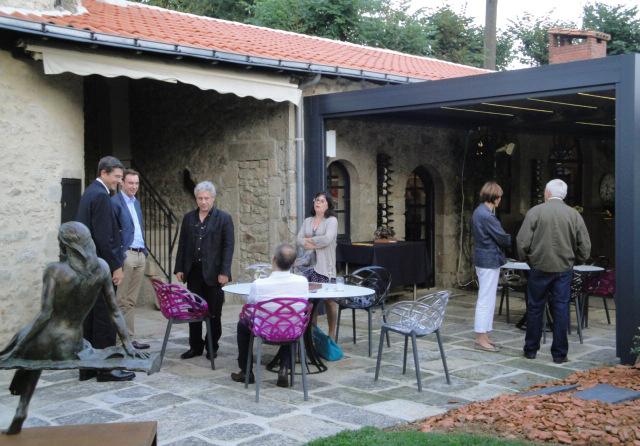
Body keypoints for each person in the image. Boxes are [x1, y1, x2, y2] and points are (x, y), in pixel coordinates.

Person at [0, 222, 149, 434]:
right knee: (29, 347)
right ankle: (21, 406)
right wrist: (127, 344)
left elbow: (44, 315)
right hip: (73, 344)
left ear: (66, 246)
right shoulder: (102, 268)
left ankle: (21, 409)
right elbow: (115, 311)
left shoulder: (54, 271)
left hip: (47, 340)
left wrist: (16, 348)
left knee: (29, 346)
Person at [517, 179, 591, 363]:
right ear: (563, 195)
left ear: (547, 193)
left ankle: (530, 350)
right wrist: (578, 259)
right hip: (564, 268)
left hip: (539, 267)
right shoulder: (574, 215)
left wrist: (527, 259)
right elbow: (585, 246)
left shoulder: (535, 212)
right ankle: (559, 354)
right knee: (561, 309)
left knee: (535, 308)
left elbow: (521, 241)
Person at [75, 156, 135, 382]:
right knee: (105, 316)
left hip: (88, 267)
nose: (119, 182)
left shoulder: (90, 192)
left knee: (91, 317)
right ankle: (106, 369)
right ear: (104, 173)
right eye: (117, 177)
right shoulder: (100, 195)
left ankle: (88, 367)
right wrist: (116, 266)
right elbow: (103, 237)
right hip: (101, 266)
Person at [231, 243, 309, 387]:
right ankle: (284, 368)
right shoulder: (303, 282)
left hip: (265, 330)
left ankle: (246, 371)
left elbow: (250, 304)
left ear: (273, 260)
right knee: (289, 321)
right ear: (293, 263)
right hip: (291, 330)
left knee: (243, 323)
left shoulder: (259, 284)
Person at [174, 181, 234, 361]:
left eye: (206, 198)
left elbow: (228, 247)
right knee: (194, 311)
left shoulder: (223, 218)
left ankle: (211, 346)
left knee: (214, 312)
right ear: (196, 199)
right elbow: (182, 244)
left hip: (215, 274)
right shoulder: (189, 218)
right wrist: (179, 268)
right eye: (200, 198)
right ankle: (195, 346)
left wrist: (225, 271)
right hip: (194, 272)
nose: (203, 202)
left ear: (213, 199)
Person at [112, 169, 149, 350]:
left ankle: (130, 339)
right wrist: (120, 256)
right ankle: (120, 342)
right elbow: (112, 232)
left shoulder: (136, 203)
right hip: (126, 255)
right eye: (130, 183)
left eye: (136, 183)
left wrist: (145, 252)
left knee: (131, 301)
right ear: (122, 183)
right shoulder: (115, 203)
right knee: (121, 301)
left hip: (140, 254)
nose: (134, 186)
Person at [471, 181, 511, 352]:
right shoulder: (486, 215)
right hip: (488, 260)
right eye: (500, 196)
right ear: (494, 197)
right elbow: (503, 238)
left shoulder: (479, 211)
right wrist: (509, 239)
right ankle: (481, 338)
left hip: (484, 259)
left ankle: (485, 335)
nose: (500, 200)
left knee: (487, 299)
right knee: (485, 300)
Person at [296, 191, 338, 339]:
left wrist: (310, 242)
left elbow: (327, 239)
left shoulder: (331, 220)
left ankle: (332, 334)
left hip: (325, 267)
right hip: (308, 268)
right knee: (310, 301)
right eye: (316, 200)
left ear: (328, 204)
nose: (318, 202)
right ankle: (312, 333)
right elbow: (298, 239)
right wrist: (310, 242)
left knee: (329, 300)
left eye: (322, 200)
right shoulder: (307, 220)